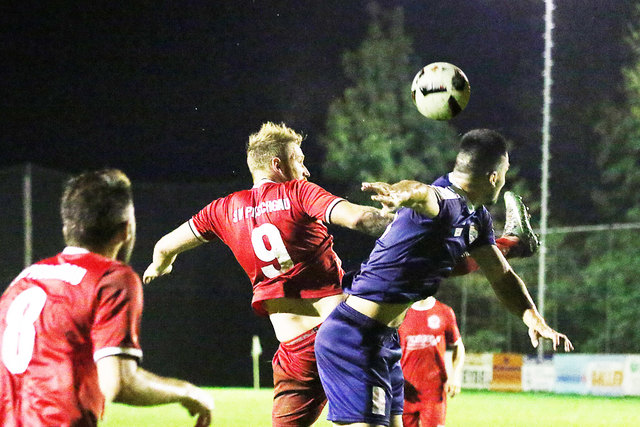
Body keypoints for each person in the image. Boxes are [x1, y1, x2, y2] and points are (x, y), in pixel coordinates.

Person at [314, 128, 573, 427]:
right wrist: (403, 192)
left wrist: (533, 317)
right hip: (353, 338)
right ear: (493, 176)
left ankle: (514, 242)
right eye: (504, 173)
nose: (503, 181)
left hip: (385, 342)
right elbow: (423, 193)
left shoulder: (477, 217)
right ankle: (515, 241)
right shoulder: (446, 201)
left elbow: (501, 275)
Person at [142, 122, 394, 426]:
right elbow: (360, 219)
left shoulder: (222, 210)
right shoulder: (298, 192)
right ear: (278, 164)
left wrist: (160, 265)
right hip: (340, 334)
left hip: (295, 352)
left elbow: (164, 246)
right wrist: (413, 221)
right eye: (299, 161)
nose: (306, 170)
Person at [0, 169, 214, 427]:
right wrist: (188, 392)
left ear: (68, 226)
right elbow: (119, 383)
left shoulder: (24, 280)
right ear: (126, 230)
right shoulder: (111, 278)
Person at [398, 297, 464, 427]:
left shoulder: (444, 312)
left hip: (434, 392)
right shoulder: (400, 312)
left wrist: (455, 376)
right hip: (405, 390)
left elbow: (458, 346)